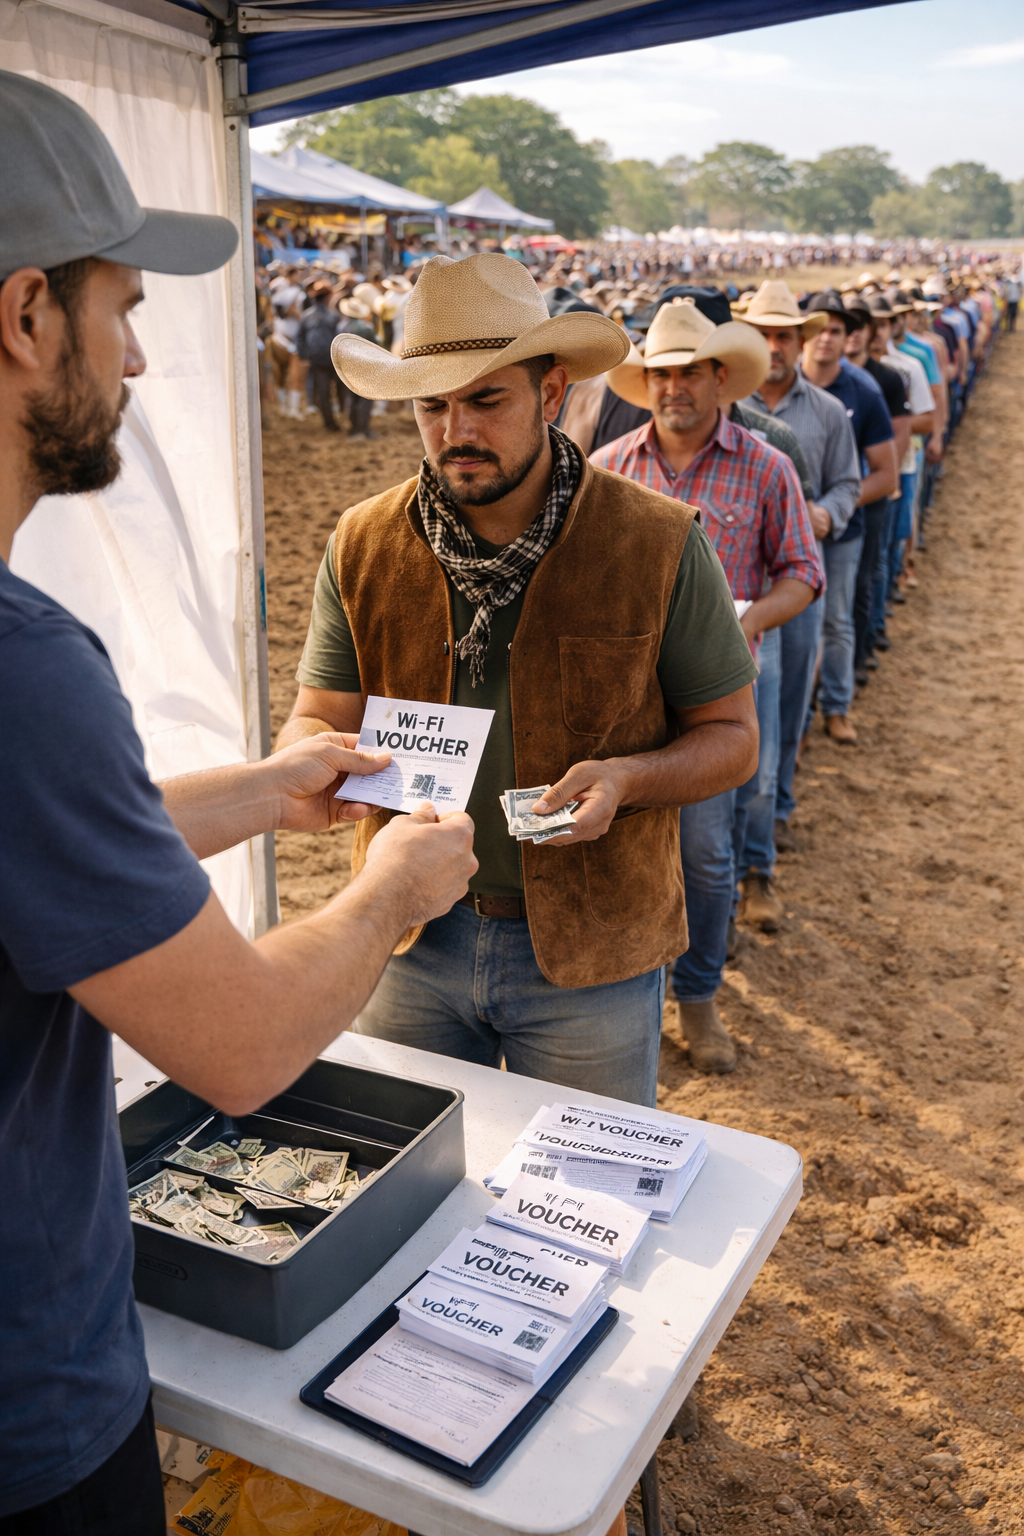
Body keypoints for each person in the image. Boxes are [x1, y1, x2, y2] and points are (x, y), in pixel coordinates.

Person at [0, 72, 476, 1532]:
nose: (138, 362)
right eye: (122, 309)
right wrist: (392, 888)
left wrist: (269, 792)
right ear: (27, 318)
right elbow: (247, 1049)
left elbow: (49, 846)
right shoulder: (28, 672)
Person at [278, 254, 761, 1096]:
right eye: (432, 405)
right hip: (406, 935)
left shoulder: (654, 541)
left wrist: (627, 778)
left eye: (486, 399)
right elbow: (316, 715)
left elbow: (732, 739)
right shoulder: (362, 543)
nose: (455, 429)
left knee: (587, 1207)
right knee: (411, 1192)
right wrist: (321, 763)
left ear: (549, 393)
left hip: (593, 949)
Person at [592, 299, 823, 1069]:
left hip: (714, 704)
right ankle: (636, 996)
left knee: (706, 856)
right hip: (624, 702)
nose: (673, 387)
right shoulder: (609, 469)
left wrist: (745, 624)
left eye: (688, 371)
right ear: (645, 383)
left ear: (720, 377)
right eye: (661, 374)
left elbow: (804, 571)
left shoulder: (768, 466)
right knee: (624, 856)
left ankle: (696, 1000)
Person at [736, 279, 860, 861]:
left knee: (786, 707)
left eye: (784, 335)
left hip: (797, 578)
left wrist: (825, 517)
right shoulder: (729, 411)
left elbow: (849, 484)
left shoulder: (829, 412)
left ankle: (776, 809)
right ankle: (755, 833)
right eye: (763, 335)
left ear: (798, 341)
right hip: (745, 590)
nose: (775, 345)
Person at [799, 292, 898, 746]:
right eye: (817, 328)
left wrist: (833, 509)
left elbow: (885, 473)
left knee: (835, 621)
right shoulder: (766, 387)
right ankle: (796, 716)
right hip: (785, 533)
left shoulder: (864, 392)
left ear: (847, 337)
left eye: (835, 330)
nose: (825, 338)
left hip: (839, 534)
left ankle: (836, 707)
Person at [842, 294, 910, 675]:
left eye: (855, 327)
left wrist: (887, 480)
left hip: (868, 493)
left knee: (866, 575)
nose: (850, 336)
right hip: (831, 499)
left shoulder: (882, 380)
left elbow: (898, 438)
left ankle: (861, 650)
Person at [297, 279, 343, 431]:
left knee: (323, 394)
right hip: (334, 360)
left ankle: (330, 423)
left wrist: (304, 356)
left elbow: (300, 338)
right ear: (328, 297)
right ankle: (342, 416)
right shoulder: (334, 316)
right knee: (342, 390)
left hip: (317, 359)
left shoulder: (306, 316)